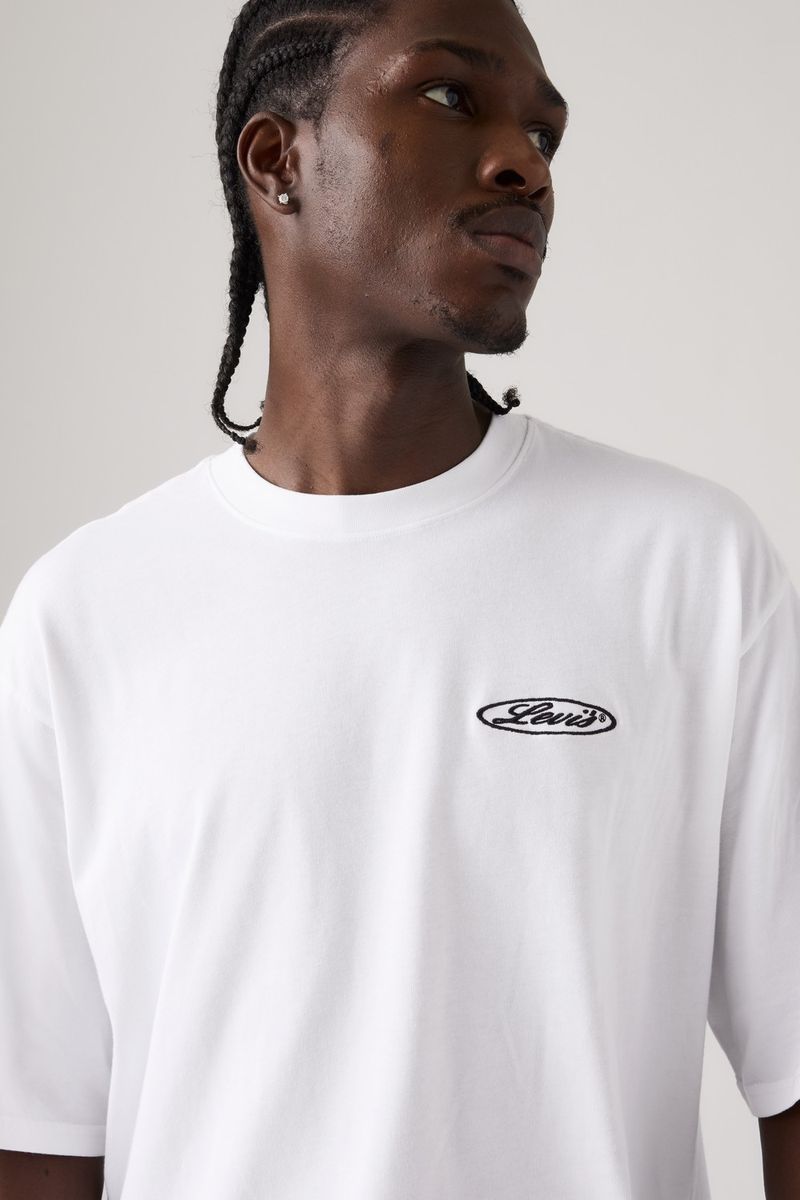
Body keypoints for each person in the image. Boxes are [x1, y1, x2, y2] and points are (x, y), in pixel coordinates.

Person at [1, 0, 798, 1196]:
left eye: (544, 134)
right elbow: (40, 1128)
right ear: (277, 159)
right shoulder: (86, 613)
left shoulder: (687, 568)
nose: (523, 164)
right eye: (448, 96)